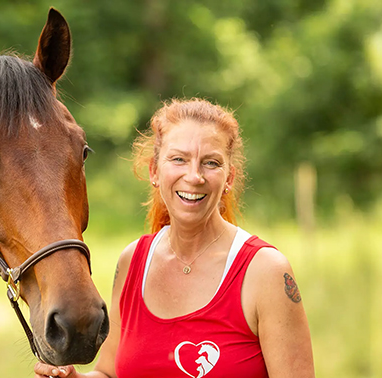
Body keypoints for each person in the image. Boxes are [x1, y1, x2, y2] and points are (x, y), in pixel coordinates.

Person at [34, 99, 315, 378]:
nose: (194, 176)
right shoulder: (133, 262)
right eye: (179, 159)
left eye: (211, 163)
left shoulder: (266, 272)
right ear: (154, 171)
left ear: (229, 178)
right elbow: (109, 373)